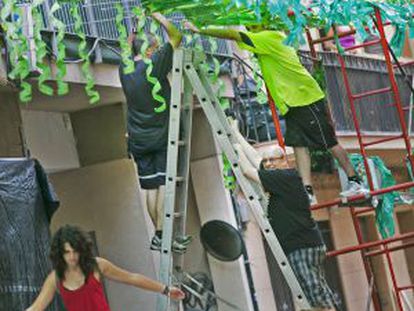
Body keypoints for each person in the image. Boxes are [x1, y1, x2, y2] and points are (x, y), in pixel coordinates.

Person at [185, 22, 367, 205]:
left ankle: (355, 181)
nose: (248, 28)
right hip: (294, 102)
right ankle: (307, 191)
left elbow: (234, 35)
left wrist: (199, 30)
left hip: (305, 99)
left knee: (329, 142)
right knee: (299, 144)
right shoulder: (274, 37)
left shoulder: (268, 38)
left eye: (251, 26)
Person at [230, 120, 339, 311]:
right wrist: (236, 133)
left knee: (315, 298)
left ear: (285, 160)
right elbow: (256, 159)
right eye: (267, 161)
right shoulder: (282, 177)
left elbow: (248, 170)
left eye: (274, 160)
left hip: (300, 246)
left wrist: (235, 147)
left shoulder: (285, 177)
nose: (269, 164)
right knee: (318, 291)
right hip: (306, 242)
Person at [119, 13, 191, 252]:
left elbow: (129, 43)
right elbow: (177, 35)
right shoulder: (155, 64)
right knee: (162, 185)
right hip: (160, 136)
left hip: (138, 140)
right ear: (150, 50)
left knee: (150, 188)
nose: (160, 50)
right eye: (156, 47)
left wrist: (137, 24)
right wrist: (156, 15)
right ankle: (163, 233)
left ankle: (159, 236)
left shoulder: (125, 68)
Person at [25, 225, 185, 311]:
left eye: (75, 251)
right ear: (60, 253)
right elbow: (36, 308)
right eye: (67, 252)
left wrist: (165, 290)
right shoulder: (56, 278)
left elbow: (131, 278)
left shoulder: (97, 265)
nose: (72, 256)